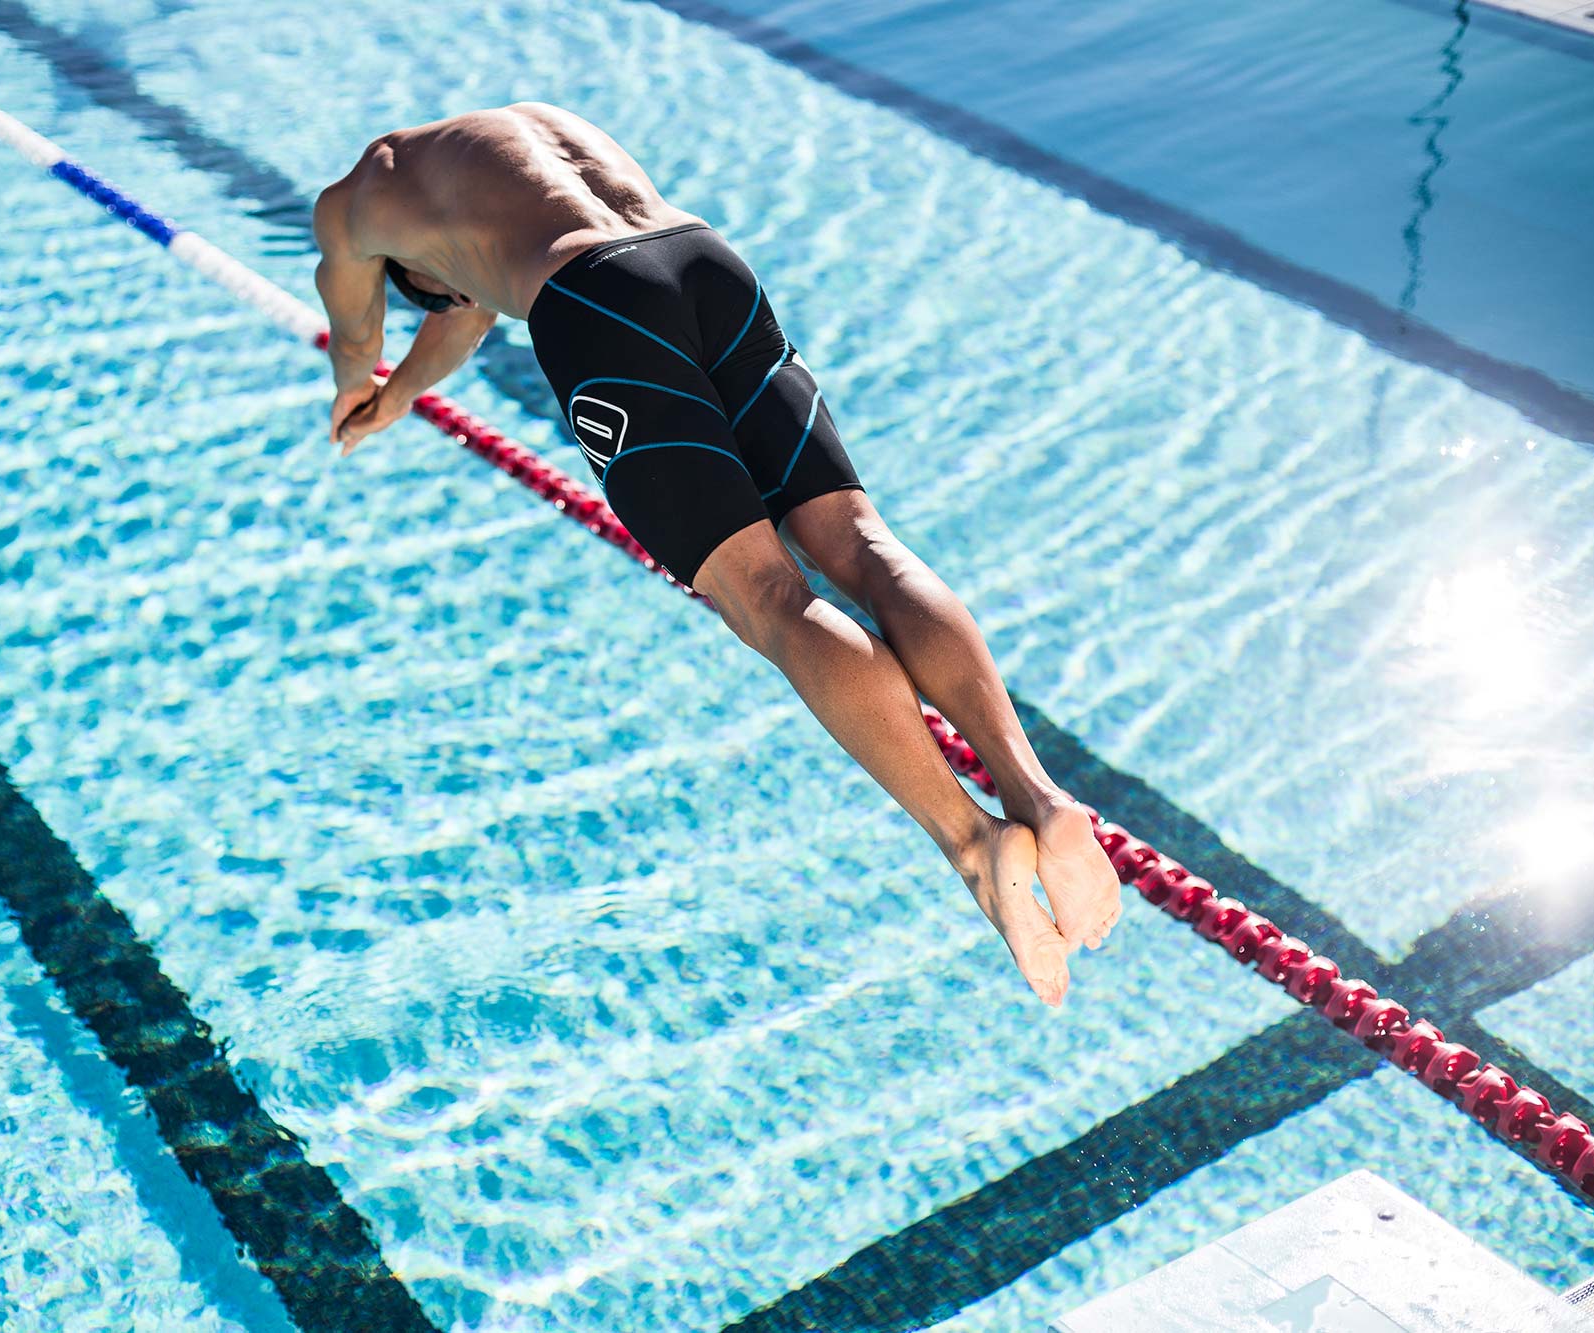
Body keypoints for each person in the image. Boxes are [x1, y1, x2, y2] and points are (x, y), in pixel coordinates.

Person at [311, 102, 1120, 1006]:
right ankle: (1040, 798)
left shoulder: (356, 200)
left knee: (767, 596)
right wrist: (408, 395)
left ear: (413, 272)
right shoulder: (520, 139)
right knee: (859, 541)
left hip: (596, 306)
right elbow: (469, 309)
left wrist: (361, 388)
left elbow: (358, 332)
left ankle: (975, 847)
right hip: (701, 261)